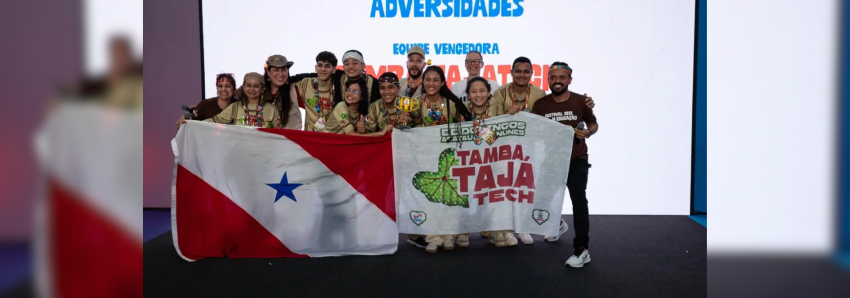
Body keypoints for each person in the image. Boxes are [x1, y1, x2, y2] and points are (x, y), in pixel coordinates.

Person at [531, 62, 598, 268]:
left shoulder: (581, 101)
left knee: (578, 201)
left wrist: (587, 132)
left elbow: (594, 124)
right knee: (544, 198)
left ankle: (582, 249)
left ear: (569, 79)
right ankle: (556, 225)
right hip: (552, 159)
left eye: (562, 78)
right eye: (553, 77)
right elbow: (535, 132)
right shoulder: (541, 105)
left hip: (576, 158)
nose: (557, 81)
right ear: (548, 79)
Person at [417, 65, 471, 253]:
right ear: (423, 82)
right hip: (427, 155)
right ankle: (433, 236)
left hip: (449, 158)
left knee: (448, 197)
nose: (431, 84)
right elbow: (411, 127)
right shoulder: (417, 102)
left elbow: (464, 125)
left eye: (435, 80)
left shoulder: (452, 103)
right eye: (427, 80)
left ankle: (449, 235)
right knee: (432, 199)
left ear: (442, 83)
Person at [203, 72, 280, 127]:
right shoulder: (235, 107)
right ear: (244, 88)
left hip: (264, 148)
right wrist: (192, 125)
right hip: (240, 148)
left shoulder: (271, 109)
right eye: (248, 85)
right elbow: (215, 121)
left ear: (262, 89)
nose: (252, 89)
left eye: (256, 86)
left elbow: (279, 134)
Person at [325, 78, 390, 136]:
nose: (349, 93)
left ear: (362, 96)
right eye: (348, 90)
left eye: (355, 91)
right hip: (325, 142)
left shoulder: (361, 112)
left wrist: (361, 131)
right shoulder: (341, 106)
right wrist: (380, 133)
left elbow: (358, 136)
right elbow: (351, 135)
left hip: (341, 144)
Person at [293, 52, 338, 132]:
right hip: (310, 139)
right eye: (320, 65)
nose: (323, 69)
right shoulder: (305, 84)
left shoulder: (339, 88)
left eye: (327, 66)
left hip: (333, 138)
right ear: (315, 67)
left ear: (334, 69)